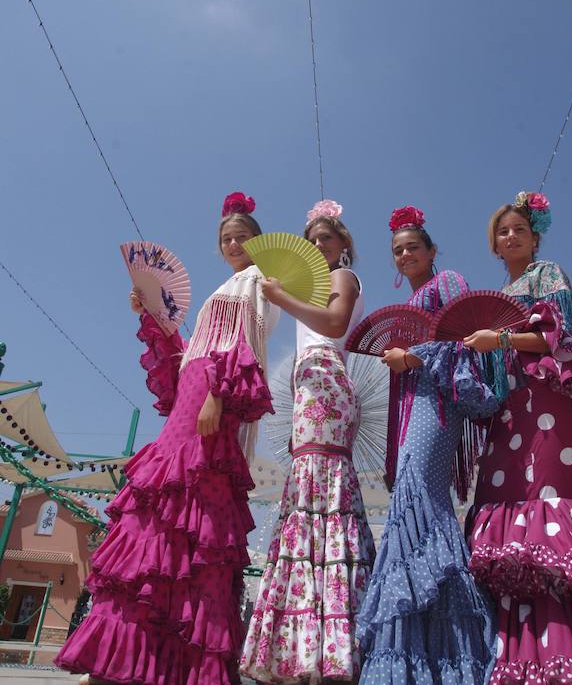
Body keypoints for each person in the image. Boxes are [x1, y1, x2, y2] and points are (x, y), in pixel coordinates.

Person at [56, 191, 279, 685]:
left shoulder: (259, 282)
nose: (234, 242)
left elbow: (246, 346)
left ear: (259, 242)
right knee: (159, 514)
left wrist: (219, 394)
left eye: (243, 235)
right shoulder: (227, 285)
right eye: (227, 237)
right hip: (189, 400)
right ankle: (130, 660)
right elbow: (189, 354)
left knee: (194, 522)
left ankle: (177, 664)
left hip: (210, 405)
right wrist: (151, 314)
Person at [357, 205, 497, 685]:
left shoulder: (449, 284)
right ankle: (423, 649)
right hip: (410, 407)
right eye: (396, 250)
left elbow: (462, 339)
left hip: (438, 404)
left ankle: (450, 648)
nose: (403, 255)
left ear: (433, 251)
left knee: (419, 498)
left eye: (412, 246)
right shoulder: (413, 304)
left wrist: (411, 355)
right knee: (410, 499)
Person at [464, 191, 572, 682]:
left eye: (519, 228)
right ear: (494, 246)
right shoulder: (501, 293)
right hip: (509, 410)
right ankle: (511, 651)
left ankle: (561, 649)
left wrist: (497, 338)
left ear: (534, 236)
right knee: (504, 508)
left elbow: (555, 338)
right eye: (503, 231)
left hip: (547, 403)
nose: (511, 236)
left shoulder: (548, 275)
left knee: (546, 504)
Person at [240, 199, 376, 683]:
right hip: (309, 384)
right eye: (313, 238)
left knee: (321, 487)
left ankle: (328, 647)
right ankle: (305, 647)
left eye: (327, 238)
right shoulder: (306, 284)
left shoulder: (342, 279)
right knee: (306, 491)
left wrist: (283, 298)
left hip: (326, 379)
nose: (319, 245)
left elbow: (335, 324)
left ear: (344, 245)